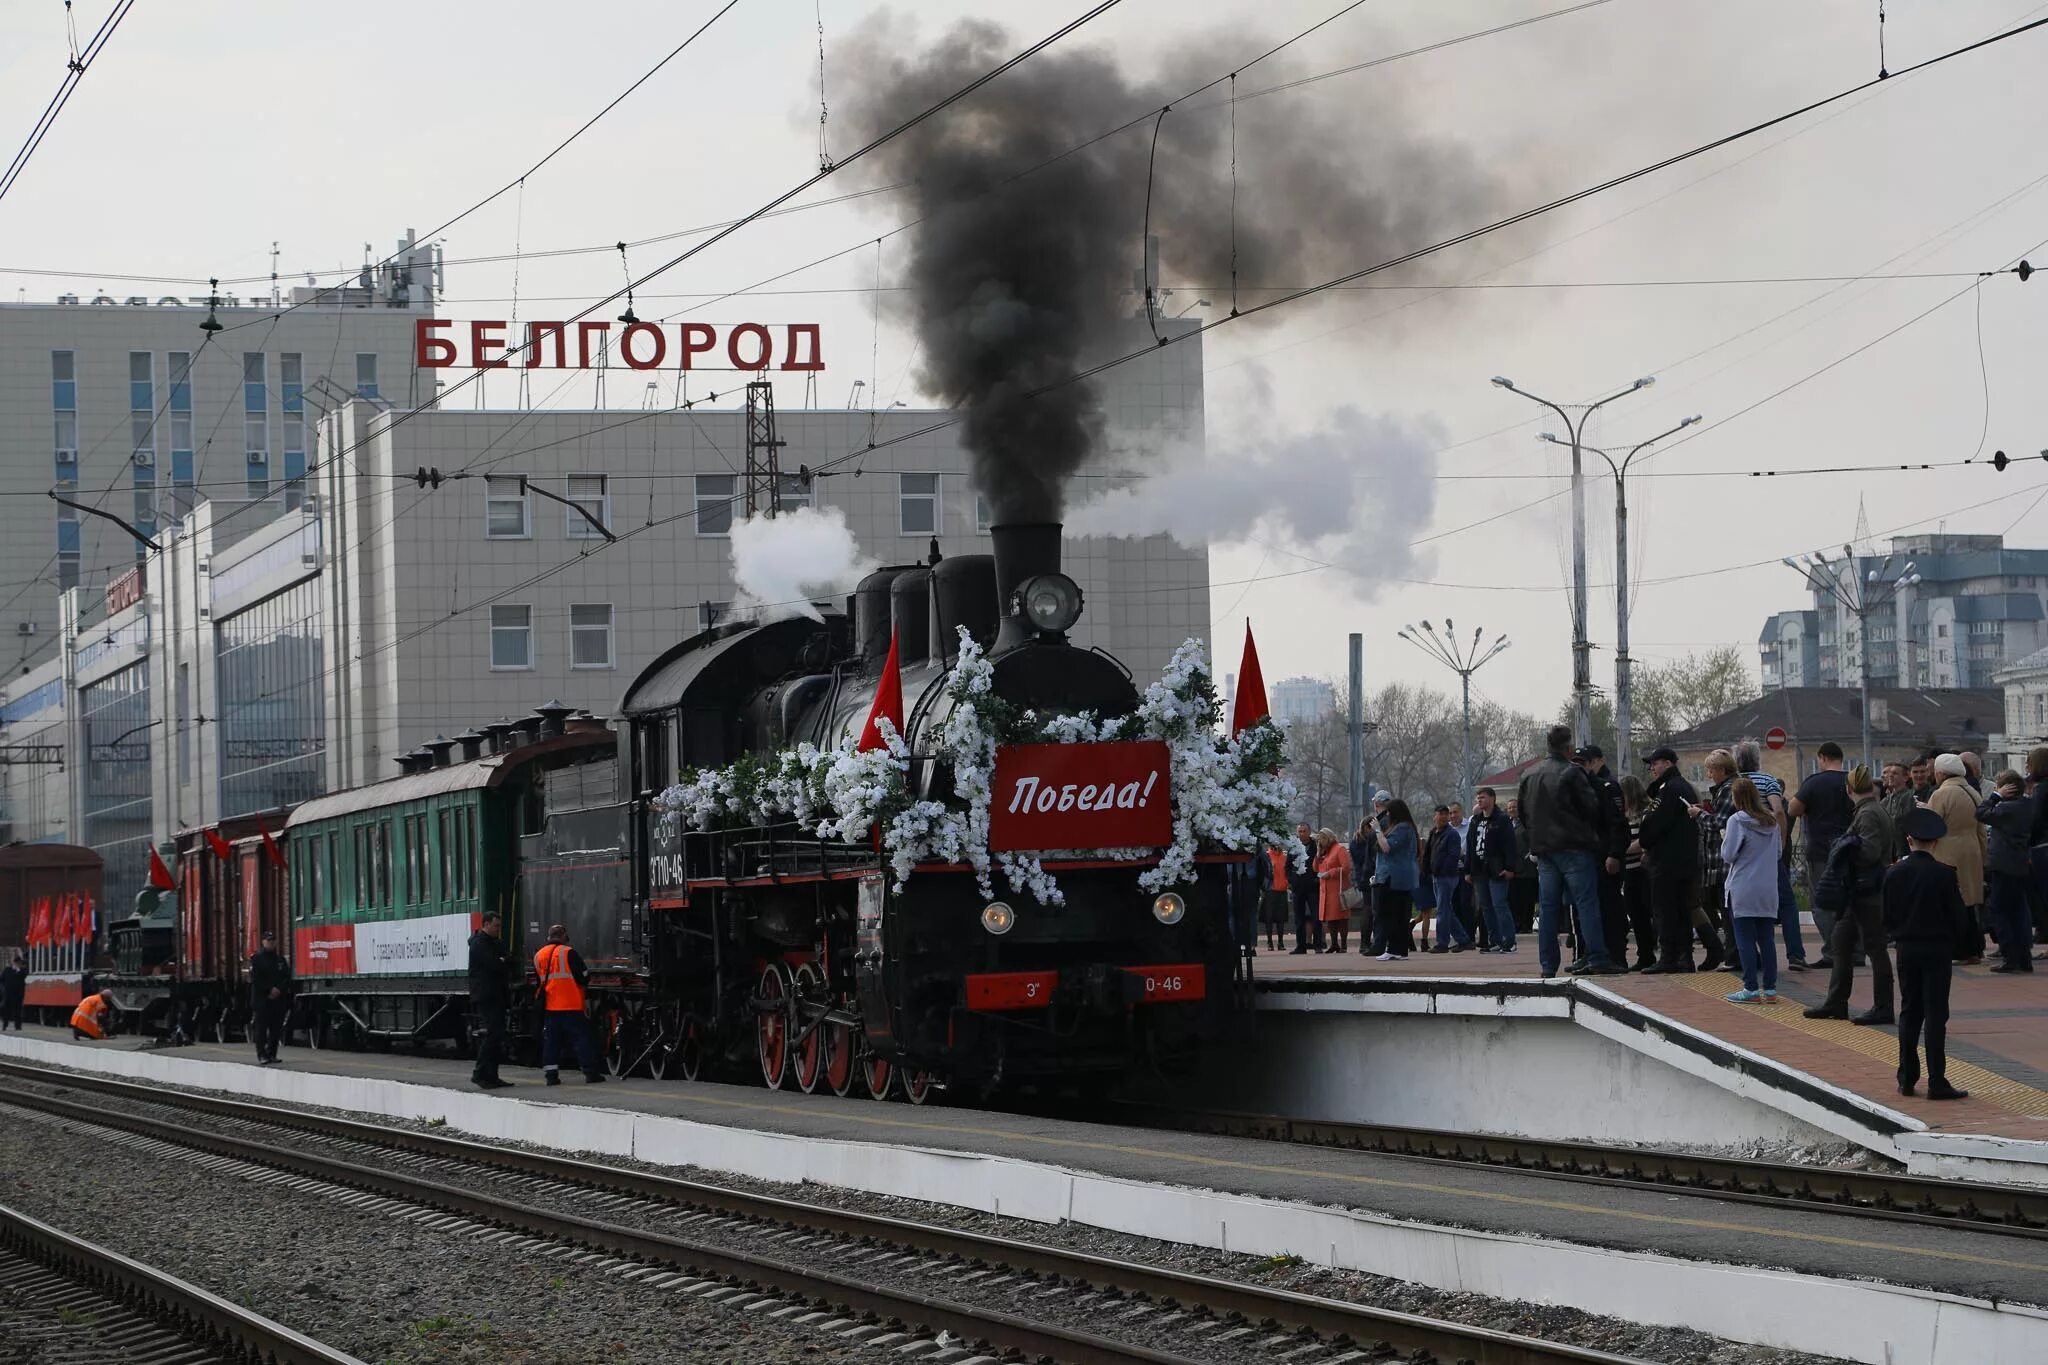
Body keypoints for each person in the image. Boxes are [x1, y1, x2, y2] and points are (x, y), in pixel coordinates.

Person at [1516, 725, 1622, 978]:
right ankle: (1597, 956)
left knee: (1549, 907)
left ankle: (1547, 965)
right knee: (1586, 903)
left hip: (1543, 848)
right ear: (1568, 748)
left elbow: (1522, 812)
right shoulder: (1571, 772)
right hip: (1573, 845)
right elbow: (1590, 807)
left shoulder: (1529, 774)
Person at [1803, 765, 1899, 1023]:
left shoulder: (1867, 814)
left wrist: (1844, 847)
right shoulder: (1872, 810)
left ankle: (1883, 1007)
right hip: (1859, 892)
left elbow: (1868, 851)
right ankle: (1836, 1003)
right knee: (1841, 944)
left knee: (1875, 948)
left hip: (1866, 891)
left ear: (1849, 789)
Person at [1887, 808, 1971, 1100]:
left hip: (1906, 948)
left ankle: (1906, 1078)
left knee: (1910, 1011)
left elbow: (1887, 915)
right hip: (1937, 950)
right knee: (1936, 1014)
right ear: (1935, 842)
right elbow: (1958, 917)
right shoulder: (1944, 874)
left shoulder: (1894, 873)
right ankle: (1937, 1081)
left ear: (1909, 840)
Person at [1736, 739, 1809, 970]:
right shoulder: (1768, 780)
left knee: (1743, 907)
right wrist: (1781, 840)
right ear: (1758, 760)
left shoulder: (1734, 783)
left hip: (1743, 855)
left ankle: (1750, 954)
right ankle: (1795, 954)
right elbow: (1779, 810)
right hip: (1769, 852)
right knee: (1786, 901)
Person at [1638, 747, 1713, 972]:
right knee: (1680, 909)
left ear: (1668, 763)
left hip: (1668, 860)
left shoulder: (1670, 789)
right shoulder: (1681, 787)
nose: (1652, 768)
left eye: (1655, 763)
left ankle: (1669, 957)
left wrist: (1645, 836)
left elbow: (1654, 824)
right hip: (1682, 859)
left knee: (1666, 909)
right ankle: (1684, 957)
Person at [1720, 778, 1782, 1003]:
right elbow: (1778, 853)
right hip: (1767, 887)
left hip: (1743, 886)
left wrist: (1724, 839)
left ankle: (1751, 989)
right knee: (1767, 939)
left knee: (1744, 938)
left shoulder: (1736, 820)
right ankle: (1772, 989)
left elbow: (1728, 855)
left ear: (1736, 798)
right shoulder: (1772, 822)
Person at [1790, 741, 1855, 951]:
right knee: (1849, 900)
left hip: (1820, 850)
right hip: (1850, 848)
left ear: (1822, 758)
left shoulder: (1814, 782)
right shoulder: (1852, 781)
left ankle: (1834, 949)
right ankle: (1855, 949)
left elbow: (1793, 810)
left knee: (1822, 902)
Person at [1576, 746, 1633, 973]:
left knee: (1611, 909)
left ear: (1598, 761)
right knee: (1591, 908)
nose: (1583, 767)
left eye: (1587, 762)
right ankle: (1591, 953)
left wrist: (1614, 853)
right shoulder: (1587, 787)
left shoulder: (1608, 786)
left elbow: (1617, 824)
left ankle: (1617, 955)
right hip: (1591, 855)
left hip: (1606, 856)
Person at [1926, 754, 1988, 964]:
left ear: (1941, 772)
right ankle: (1976, 949)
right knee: (1971, 902)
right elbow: (1981, 829)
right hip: (1972, 850)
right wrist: (1983, 856)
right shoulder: (1972, 792)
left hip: (1946, 851)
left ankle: (1959, 950)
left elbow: (1931, 826)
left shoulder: (1941, 794)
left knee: (1953, 902)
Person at [1978, 771, 2037, 974]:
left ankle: (2009, 956)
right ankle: (2024, 957)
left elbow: (1980, 813)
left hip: (2004, 864)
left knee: (2001, 910)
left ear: (2006, 789)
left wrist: (1996, 796)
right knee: (2020, 911)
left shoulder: (2006, 809)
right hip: (2021, 864)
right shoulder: (2028, 805)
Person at [533, 924, 605, 1085]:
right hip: (571, 1004)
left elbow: (539, 981)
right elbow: (584, 976)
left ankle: (551, 1076)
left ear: (549, 937)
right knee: (581, 1040)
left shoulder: (539, 955)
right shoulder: (568, 953)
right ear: (564, 936)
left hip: (550, 1006)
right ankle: (590, 1073)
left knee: (551, 1042)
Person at [1463, 787, 1518, 953]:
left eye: (1483, 797)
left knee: (1499, 904)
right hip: (1479, 870)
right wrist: (1468, 870)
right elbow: (1470, 846)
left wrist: (1510, 867)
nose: (1480, 800)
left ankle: (1509, 941)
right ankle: (1495, 940)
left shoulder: (1501, 819)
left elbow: (1510, 845)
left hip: (1497, 869)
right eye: (1478, 798)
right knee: (1486, 907)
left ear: (1492, 799)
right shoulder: (1475, 821)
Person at [1698, 750, 1739, 970]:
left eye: (1711, 770)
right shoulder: (1734, 786)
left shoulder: (1727, 789)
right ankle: (1738, 954)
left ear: (1722, 770)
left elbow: (1719, 822)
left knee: (1728, 910)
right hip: (1726, 858)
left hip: (1723, 859)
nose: (1709, 774)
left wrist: (1699, 815)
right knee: (1728, 910)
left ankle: (1734, 956)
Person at [469, 911, 516, 1088]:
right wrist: (502, 961)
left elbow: (507, 960)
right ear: (486, 924)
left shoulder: (493, 942)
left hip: (496, 993)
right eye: (496, 926)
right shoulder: (479, 944)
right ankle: (480, 1073)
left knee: (497, 1034)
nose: (498, 929)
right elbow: (495, 965)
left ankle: (491, 1075)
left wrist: (504, 960)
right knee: (493, 1033)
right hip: (486, 994)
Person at [1370, 800, 1420, 960]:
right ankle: (1399, 949)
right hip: (1397, 875)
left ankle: (1394, 948)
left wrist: (1378, 830)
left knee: (1390, 912)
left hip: (1396, 876)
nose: (1388, 816)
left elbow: (1387, 847)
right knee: (1398, 913)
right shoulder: (1403, 827)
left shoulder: (1403, 828)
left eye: (1389, 813)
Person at [1619, 774, 1656, 970]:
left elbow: (1645, 839)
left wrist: (1622, 850)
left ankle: (1652, 951)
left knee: (1648, 910)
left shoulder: (1645, 812)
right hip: (1629, 871)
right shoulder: (1624, 814)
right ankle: (1645, 954)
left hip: (1643, 869)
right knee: (1636, 914)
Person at [1426, 806, 1471, 953]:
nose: (1443, 817)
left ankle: (1442, 942)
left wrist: (1442, 869)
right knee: (1446, 910)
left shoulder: (1451, 835)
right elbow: (1428, 853)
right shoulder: (1434, 833)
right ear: (1435, 816)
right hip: (1436, 875)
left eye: (1446, 815)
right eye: (1440, 814)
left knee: (1442, 910)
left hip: (1447, 876)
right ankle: (1464, 940)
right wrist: (1427, 869)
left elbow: (1453, 856)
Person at [248, 932, 292, 1065]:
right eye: (268, 940)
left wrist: (279, 989)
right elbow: (256, 979)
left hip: (277, 999)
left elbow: (286, 977)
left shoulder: (280, 960)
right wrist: (269, 989)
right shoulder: (257, 959)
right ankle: (261, 1054)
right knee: (261, 1029)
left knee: (275, 1029)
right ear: (263, 942)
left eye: (273, 940)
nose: (270, 942)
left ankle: (272, 1053)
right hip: (262, 999)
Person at [1314, 828, 1355, 953]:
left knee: (1341, 917)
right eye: (1319, 840)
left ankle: (1343, 944)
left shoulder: (1339, 849)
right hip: (1326, 890)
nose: (1320, 842)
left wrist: (1331, 873)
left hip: (1338, 889)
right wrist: (1318, 854)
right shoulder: (1324, 852)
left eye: (1322, 839)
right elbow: (1315, 868)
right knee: (1330, 918)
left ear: (1328, 838)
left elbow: (1347, 867)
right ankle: (1334, 944)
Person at [1506, 797, 1539, 936]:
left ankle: (1526, 925)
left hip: (1527, 868)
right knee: (1514, 899)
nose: (1512, 810)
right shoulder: (1507, 824)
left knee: (1528, 899)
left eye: (1514, 807)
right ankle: (1516, 924)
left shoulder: (1527, 824)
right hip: (1512, 869)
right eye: (1510, 808)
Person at [1288, 823, 1322, 955]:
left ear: (1309, 832)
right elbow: (1288, 866)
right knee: (1299, 918)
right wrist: (1290, 881)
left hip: (1313, 886)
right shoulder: (1293, 847)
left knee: (1316, 917)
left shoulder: (1316, 846)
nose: (1301, 834)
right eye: (1299, 831)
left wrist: (1316, 879)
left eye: (1304, 831)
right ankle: (1300, 946)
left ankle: (1318, 944)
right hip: (1297, 887)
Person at [1260, 844, 1292, 952]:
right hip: (1270, 890)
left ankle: (1280, 942)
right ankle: (1269, 942)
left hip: (1282, 890)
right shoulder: (1267, 856)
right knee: (1269, 918)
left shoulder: (1284, 857)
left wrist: (1287, 883)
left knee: (1281, 918)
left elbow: (1288, 871)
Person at [0, 952, 24, 1032]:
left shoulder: (22, 971)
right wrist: (4, 988)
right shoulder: (7, 970)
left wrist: (19, 970)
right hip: (8, 994)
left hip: (18, 995)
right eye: (16, 962)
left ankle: (18, 1026)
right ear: (14, 962)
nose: (18, 964)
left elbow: (24, 979)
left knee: (17, 1011)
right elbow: (2, 979)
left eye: (19, 963)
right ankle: (5, 1025)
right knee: (6, 1011)